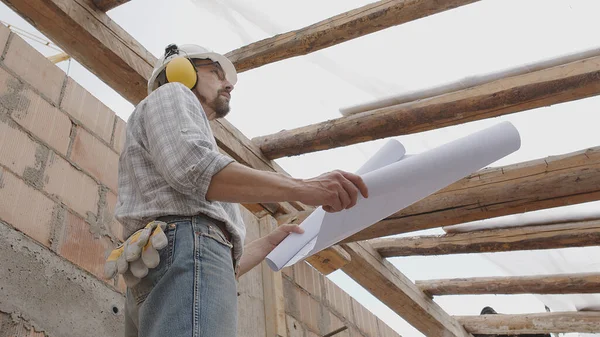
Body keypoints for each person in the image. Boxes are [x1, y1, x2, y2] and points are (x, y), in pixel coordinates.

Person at [113, 43, 368, 337]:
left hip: (156, 263)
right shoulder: (173, 93)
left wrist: (267, 244)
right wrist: (303, 188)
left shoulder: (170, 137)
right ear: (180, 71)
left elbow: (205, 257)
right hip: (184, 247)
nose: (229, 84)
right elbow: (194, 170)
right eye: (216, 73)